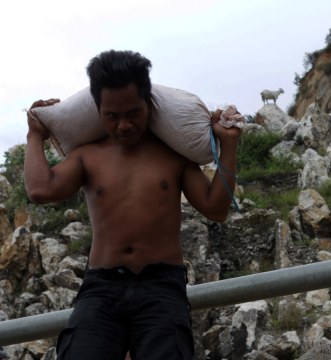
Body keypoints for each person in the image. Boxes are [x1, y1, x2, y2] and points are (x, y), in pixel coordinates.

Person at [24, 50, 242, 359]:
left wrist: (229, 145)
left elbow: (215, 208)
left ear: (148, 104)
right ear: (98, 110)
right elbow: (39, 189)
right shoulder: (88, 156)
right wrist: (35, 134)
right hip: (101, 288)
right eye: (112, 116)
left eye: (133, 113)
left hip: (161, 288)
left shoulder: (171, 155)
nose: (123, 125)